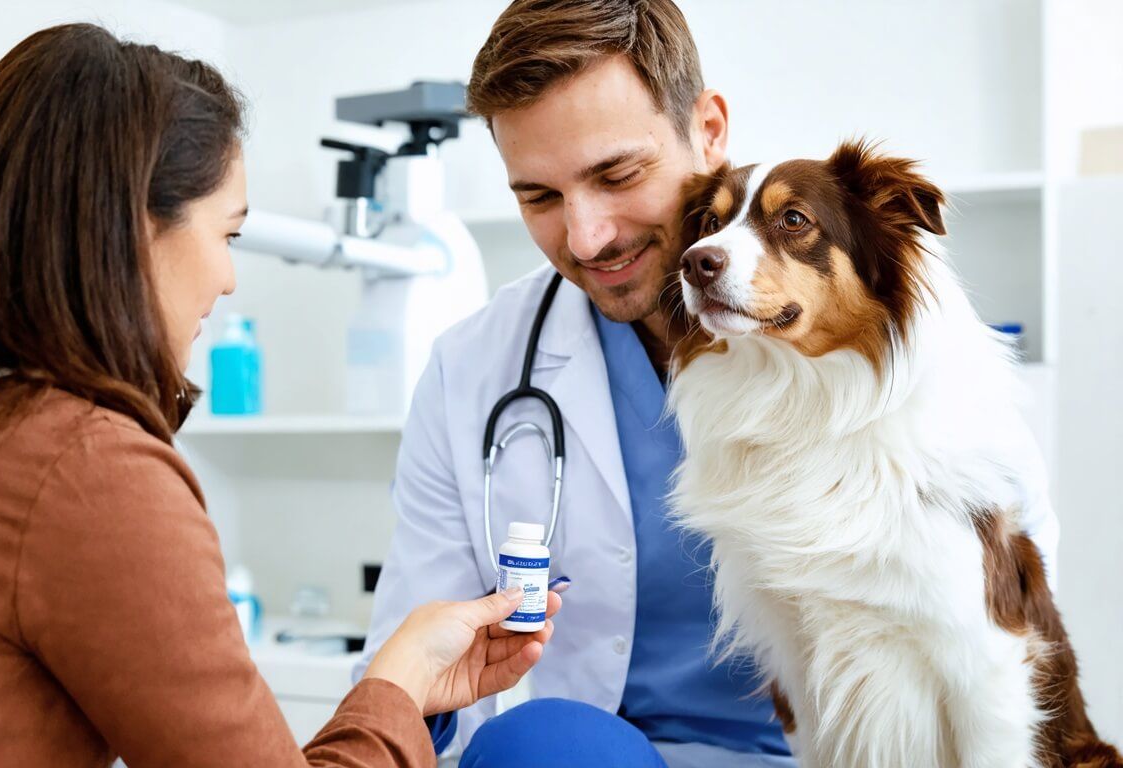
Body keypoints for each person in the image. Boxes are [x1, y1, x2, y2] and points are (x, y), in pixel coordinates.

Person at [0, 23, 559, 767]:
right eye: (228, 234)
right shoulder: (78, 466)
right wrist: (397, 687)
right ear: (129, 228)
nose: (227, 278)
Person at [356, 2, 1062, 766]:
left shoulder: (912, 368)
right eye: (539, 197)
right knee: (539, 745)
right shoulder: (473, 371)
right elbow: (410, 671)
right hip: (618, 756)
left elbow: (1005, 640)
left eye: (617, 174)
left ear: (709, 131)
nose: (587, 236)